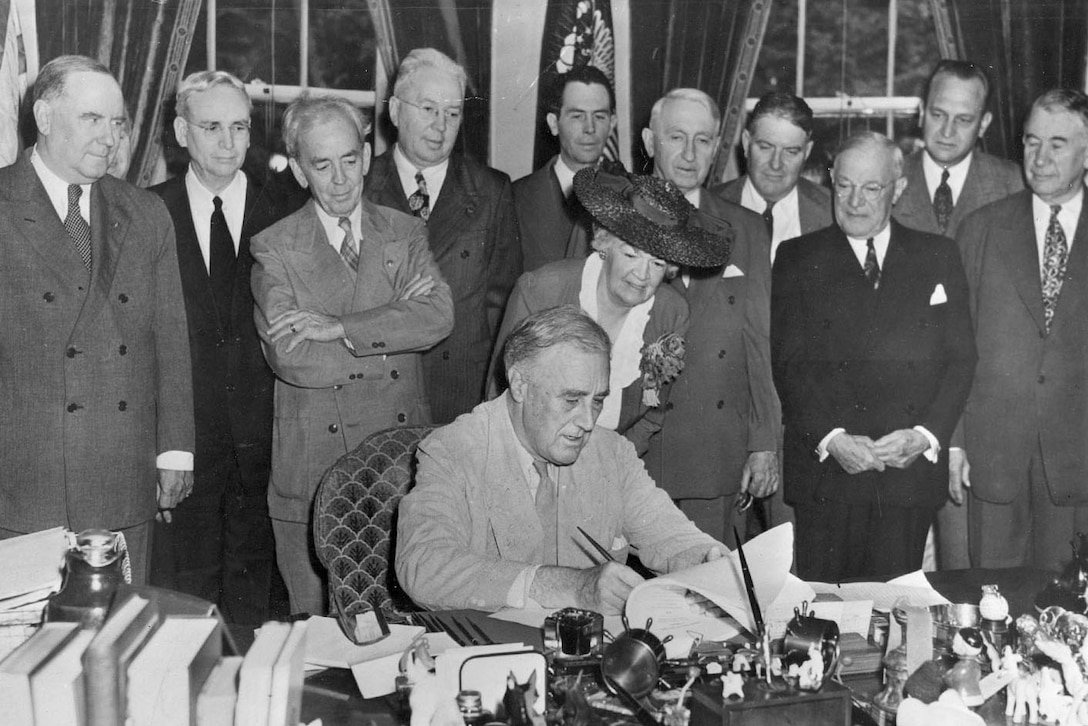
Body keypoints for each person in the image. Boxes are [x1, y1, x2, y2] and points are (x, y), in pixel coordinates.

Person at [250, 94, 454, 615]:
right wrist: (392, 338)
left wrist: (339, 326)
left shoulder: (404, 231)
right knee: (321, 650)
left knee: (403, 636)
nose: (341, 180)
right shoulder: (273, 247)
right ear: (299, 170)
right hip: (315, 475)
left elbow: (437, 317)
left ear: (366, 157)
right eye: (322, 164)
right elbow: (293, 356)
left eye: (349, 159)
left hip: (400, 470)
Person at [0, 55, 194, 582]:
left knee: (115, 642)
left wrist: (175, 450)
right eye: (92, 119)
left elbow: (169, 340)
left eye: (118, 123)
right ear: (43, 117)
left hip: (121, 473)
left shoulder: (147, 213)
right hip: (24, 480)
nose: (110, 138)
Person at [396, 305, 725, 613]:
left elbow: (669, 533)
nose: (588, 422)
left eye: (597, 401)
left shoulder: (611, 452)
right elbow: (424, 564)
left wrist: (709, 562)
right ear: (520, 385)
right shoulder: (454, 450)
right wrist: (571, 586)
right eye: (571, 399)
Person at [771, 131, 976, 581]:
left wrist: (925, 435)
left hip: (905, 477)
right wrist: (833, 439)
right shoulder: (797, 258)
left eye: (871, 188)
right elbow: (789, 366)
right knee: (825, 615)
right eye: (844, 186)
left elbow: (960, 360)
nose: (855, 201)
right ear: (830, 182)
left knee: (895, 616)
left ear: (898, 190)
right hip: (827, 475)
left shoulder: (938, 255)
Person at [148, 70, 283, 624]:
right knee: (185, 610)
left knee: (261, 613)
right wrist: (164, 450)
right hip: (187, 450)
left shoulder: (286, 209)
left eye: (240, 127)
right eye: (211, 127)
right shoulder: (148, 212)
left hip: (269, 450)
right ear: (182, 132)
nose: (229, 143)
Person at [489, 167, 730, 455]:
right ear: (604, 243)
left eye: (657, 264)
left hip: (611, 462)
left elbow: (653, 411)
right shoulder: (541, 291)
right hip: (529, 454)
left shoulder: (671, 312)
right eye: (631, 254)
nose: (642, 275)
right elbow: (501, 398)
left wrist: (613, 464)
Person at [890, 60, 1024, 570]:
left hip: (978, 410)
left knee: (967, 569)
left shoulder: (1013, 184)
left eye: (963, 120)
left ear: (985, 124)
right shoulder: (888, 176)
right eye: (937, 115)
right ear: (921, 112)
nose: (946, 131)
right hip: (897, 417)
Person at [638, 88, 781, 545]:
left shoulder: (746, 227)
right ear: (648, 141)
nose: (688, 153)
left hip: (716, 449)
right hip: (639, 444)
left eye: (703, 140)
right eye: (676, 137)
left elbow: (760, 344)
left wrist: (763, 443)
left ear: (718, 146)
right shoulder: (615, 218)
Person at [955, 89, 1088, 571]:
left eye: (1058, 144)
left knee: (1073, 618)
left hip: (1079, 466)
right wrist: (954, 441)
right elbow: (954, 347)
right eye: (1032, 142)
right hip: (994, 461)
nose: (1040, 158)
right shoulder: (980, 230)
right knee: (991, 610)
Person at [364, 48, 521, 424]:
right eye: (428, 109)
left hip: (460, 400)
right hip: (377, 393)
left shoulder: (492, 191)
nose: (440, 126)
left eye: (452, 114)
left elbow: (504, 308)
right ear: (396, 111)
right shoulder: (361, 186)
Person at [513, 65, 624, 271]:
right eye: (577, 116)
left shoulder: (632, 196)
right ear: (554, 123)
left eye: (599, 116)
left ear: (612, 123)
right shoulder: (515, 199)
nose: (589, 128)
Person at [713, 90, 833, 261]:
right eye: (766, 147)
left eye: (790, 152)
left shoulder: (833, 213)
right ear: (746, 143)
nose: (776, 164)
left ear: (807, 152)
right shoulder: (707, 209)